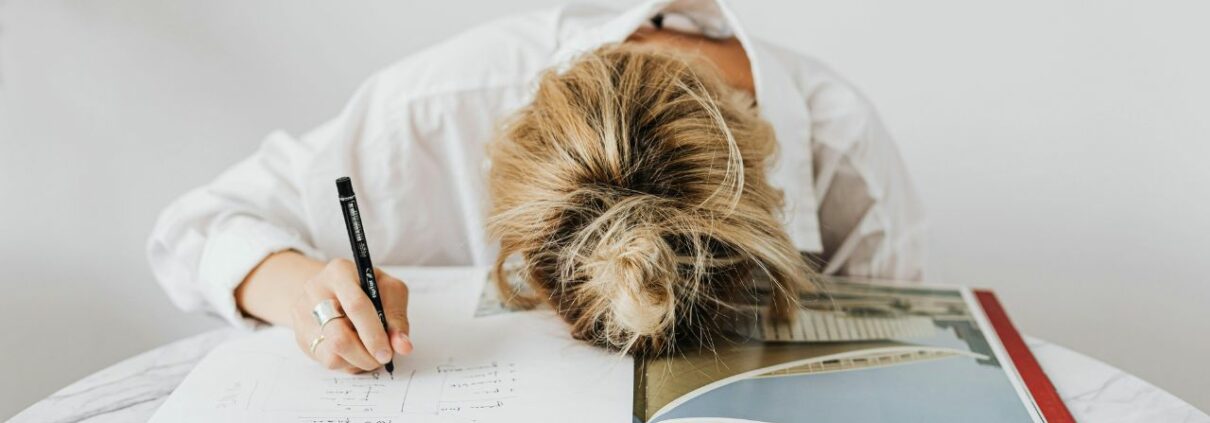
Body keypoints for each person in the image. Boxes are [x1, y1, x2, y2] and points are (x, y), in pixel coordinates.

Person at [148, 0, 925, 374]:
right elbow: (193, 226)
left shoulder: (842, 144)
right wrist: (301, 290)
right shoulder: (436, 109)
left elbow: (903, 357)